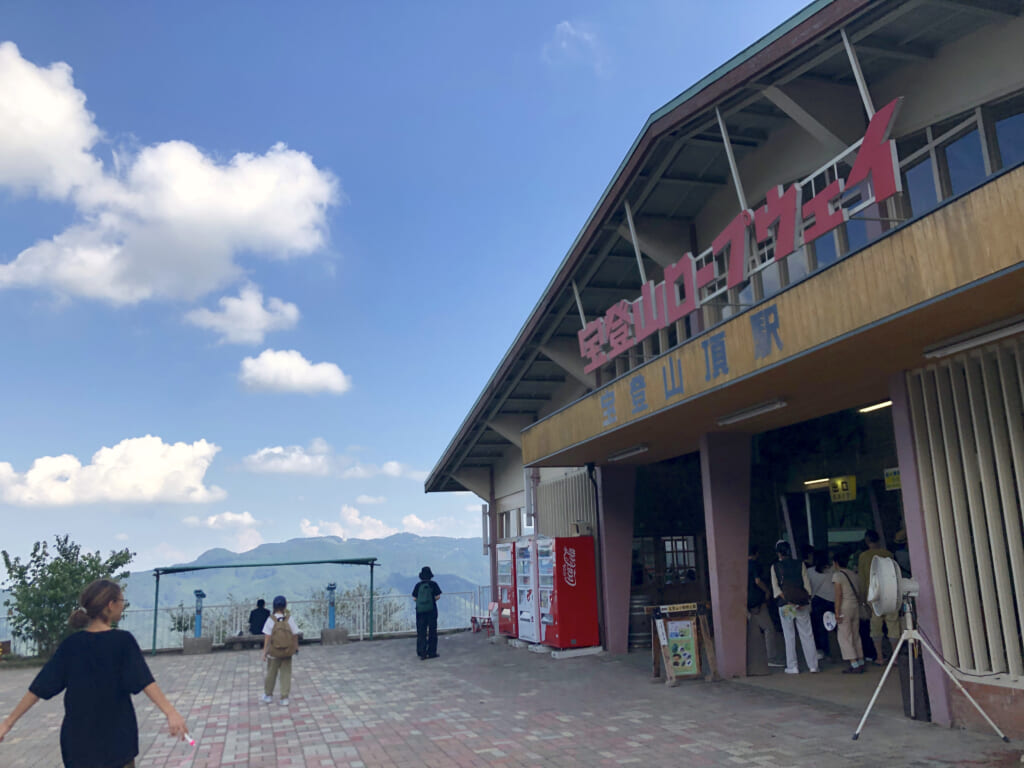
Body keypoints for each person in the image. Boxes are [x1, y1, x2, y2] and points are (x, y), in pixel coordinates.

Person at [0, 578, 188, 766]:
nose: (123, 607)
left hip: (78, 745)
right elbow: (144, 681)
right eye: (122, 602)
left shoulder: (71, 645)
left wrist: (8, 723)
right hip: (116, 743)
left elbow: (39, 688)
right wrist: (170, 712)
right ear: (110, 605)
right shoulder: (122, 641)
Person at [770, 540, 819, 675]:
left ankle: (793, 666)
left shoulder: (775, 567)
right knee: (807, 634)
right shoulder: (800, 564)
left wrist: (789, 601)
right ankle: (813, 665)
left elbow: (776, 588)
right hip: (801, 604)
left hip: (786, 605)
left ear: (778, 553)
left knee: (789, 635)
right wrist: (802, 600)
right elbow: (807, 585)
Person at [858, 529, 900, 664]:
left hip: (873, 595)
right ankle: (895, 657)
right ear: (879, 540)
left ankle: (880, 657)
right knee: (893, 624)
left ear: (867, 541)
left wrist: (863, 599)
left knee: (875, 626)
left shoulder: (864, 556)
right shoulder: (888, 554)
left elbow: (863, 579)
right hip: (890, 593)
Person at [745, 545, 782, 674]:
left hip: (745, 602)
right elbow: (757, 580)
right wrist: (766, 590)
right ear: (756, 553)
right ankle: (771, 657)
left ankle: (752, 659)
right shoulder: (754, 564)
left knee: (752, 631)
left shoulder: (742, 565)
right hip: (757, 601)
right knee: (769, 628)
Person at [832, 549, 866, 673]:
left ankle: (854, 663)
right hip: (855, 606)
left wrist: (836, 611)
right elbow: (861, 593)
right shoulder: (854, 574)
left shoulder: (838, 576)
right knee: (855, 634)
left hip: (844, 607)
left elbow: (838, 595)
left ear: (835, 563)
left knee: (845, 636)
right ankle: (861, 660)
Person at [261, 595, 299, 706]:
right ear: (285, 606)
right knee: (286, 674)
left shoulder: (270, 620)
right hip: (287, 651)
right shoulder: (289, 619)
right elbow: (295, 634)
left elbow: (267, 637)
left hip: (274, 652)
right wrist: (295, 647)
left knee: (271, 673)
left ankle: (268, 695)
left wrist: (264, 652)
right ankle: (284, 697)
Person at [806, 549, 836, 661]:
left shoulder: (810, 571)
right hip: (833, 602)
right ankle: (845, 651)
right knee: (838, 628)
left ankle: (824, 652)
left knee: (820, 629)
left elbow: (809, 588)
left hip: (818, 601)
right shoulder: (833, 570)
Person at [413, 566, 442, 660]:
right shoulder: (433, 584)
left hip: (420, 612)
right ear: (430, 576)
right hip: (432, 611)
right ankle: (432, 652)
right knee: (432, 631)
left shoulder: (418, 585)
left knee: (421, 631)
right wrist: (430, 600)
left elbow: (414, 598)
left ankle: (422, 652)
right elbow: (438, 596)